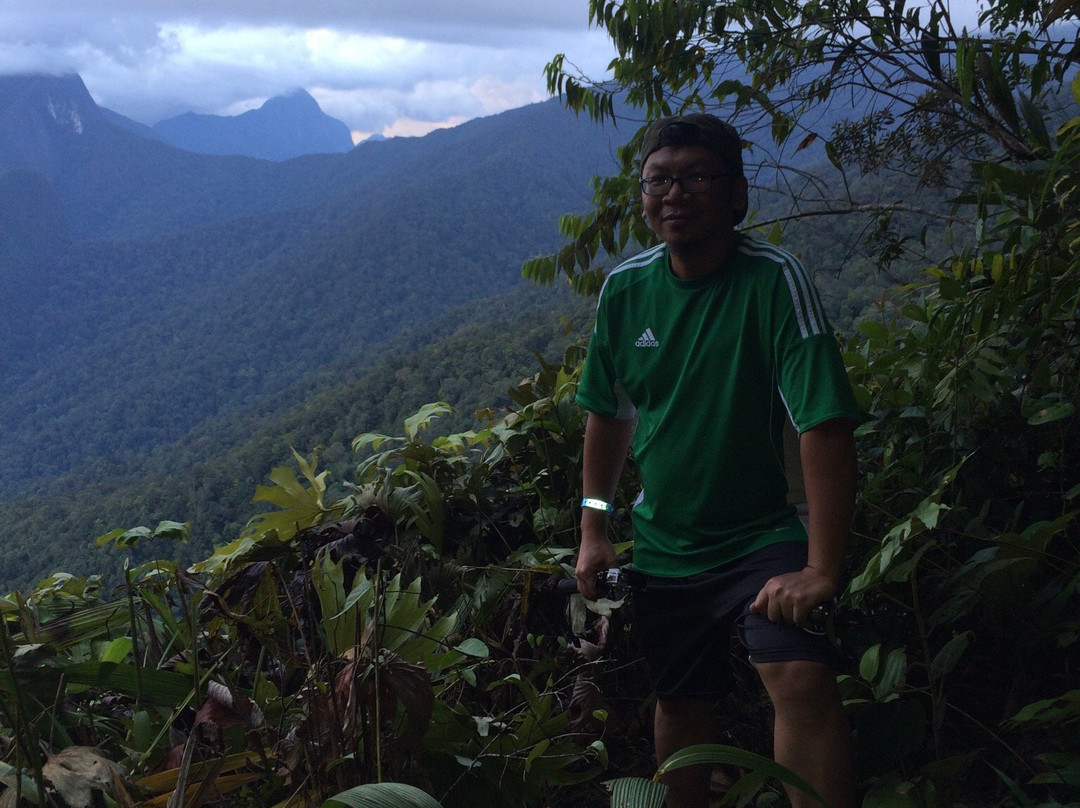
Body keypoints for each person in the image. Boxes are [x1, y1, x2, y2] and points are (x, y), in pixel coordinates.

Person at [574, 113, 860, 808]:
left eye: (696, 177)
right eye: (658, 180)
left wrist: (822, 566)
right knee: (680, 704)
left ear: (736, 195)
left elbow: (824, 421)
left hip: (764, 531)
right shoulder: (626, 289)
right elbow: (608, 416)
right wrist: (593, 527)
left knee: (798, 676)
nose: (674, 194)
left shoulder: (772, 282)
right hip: (668, 540)